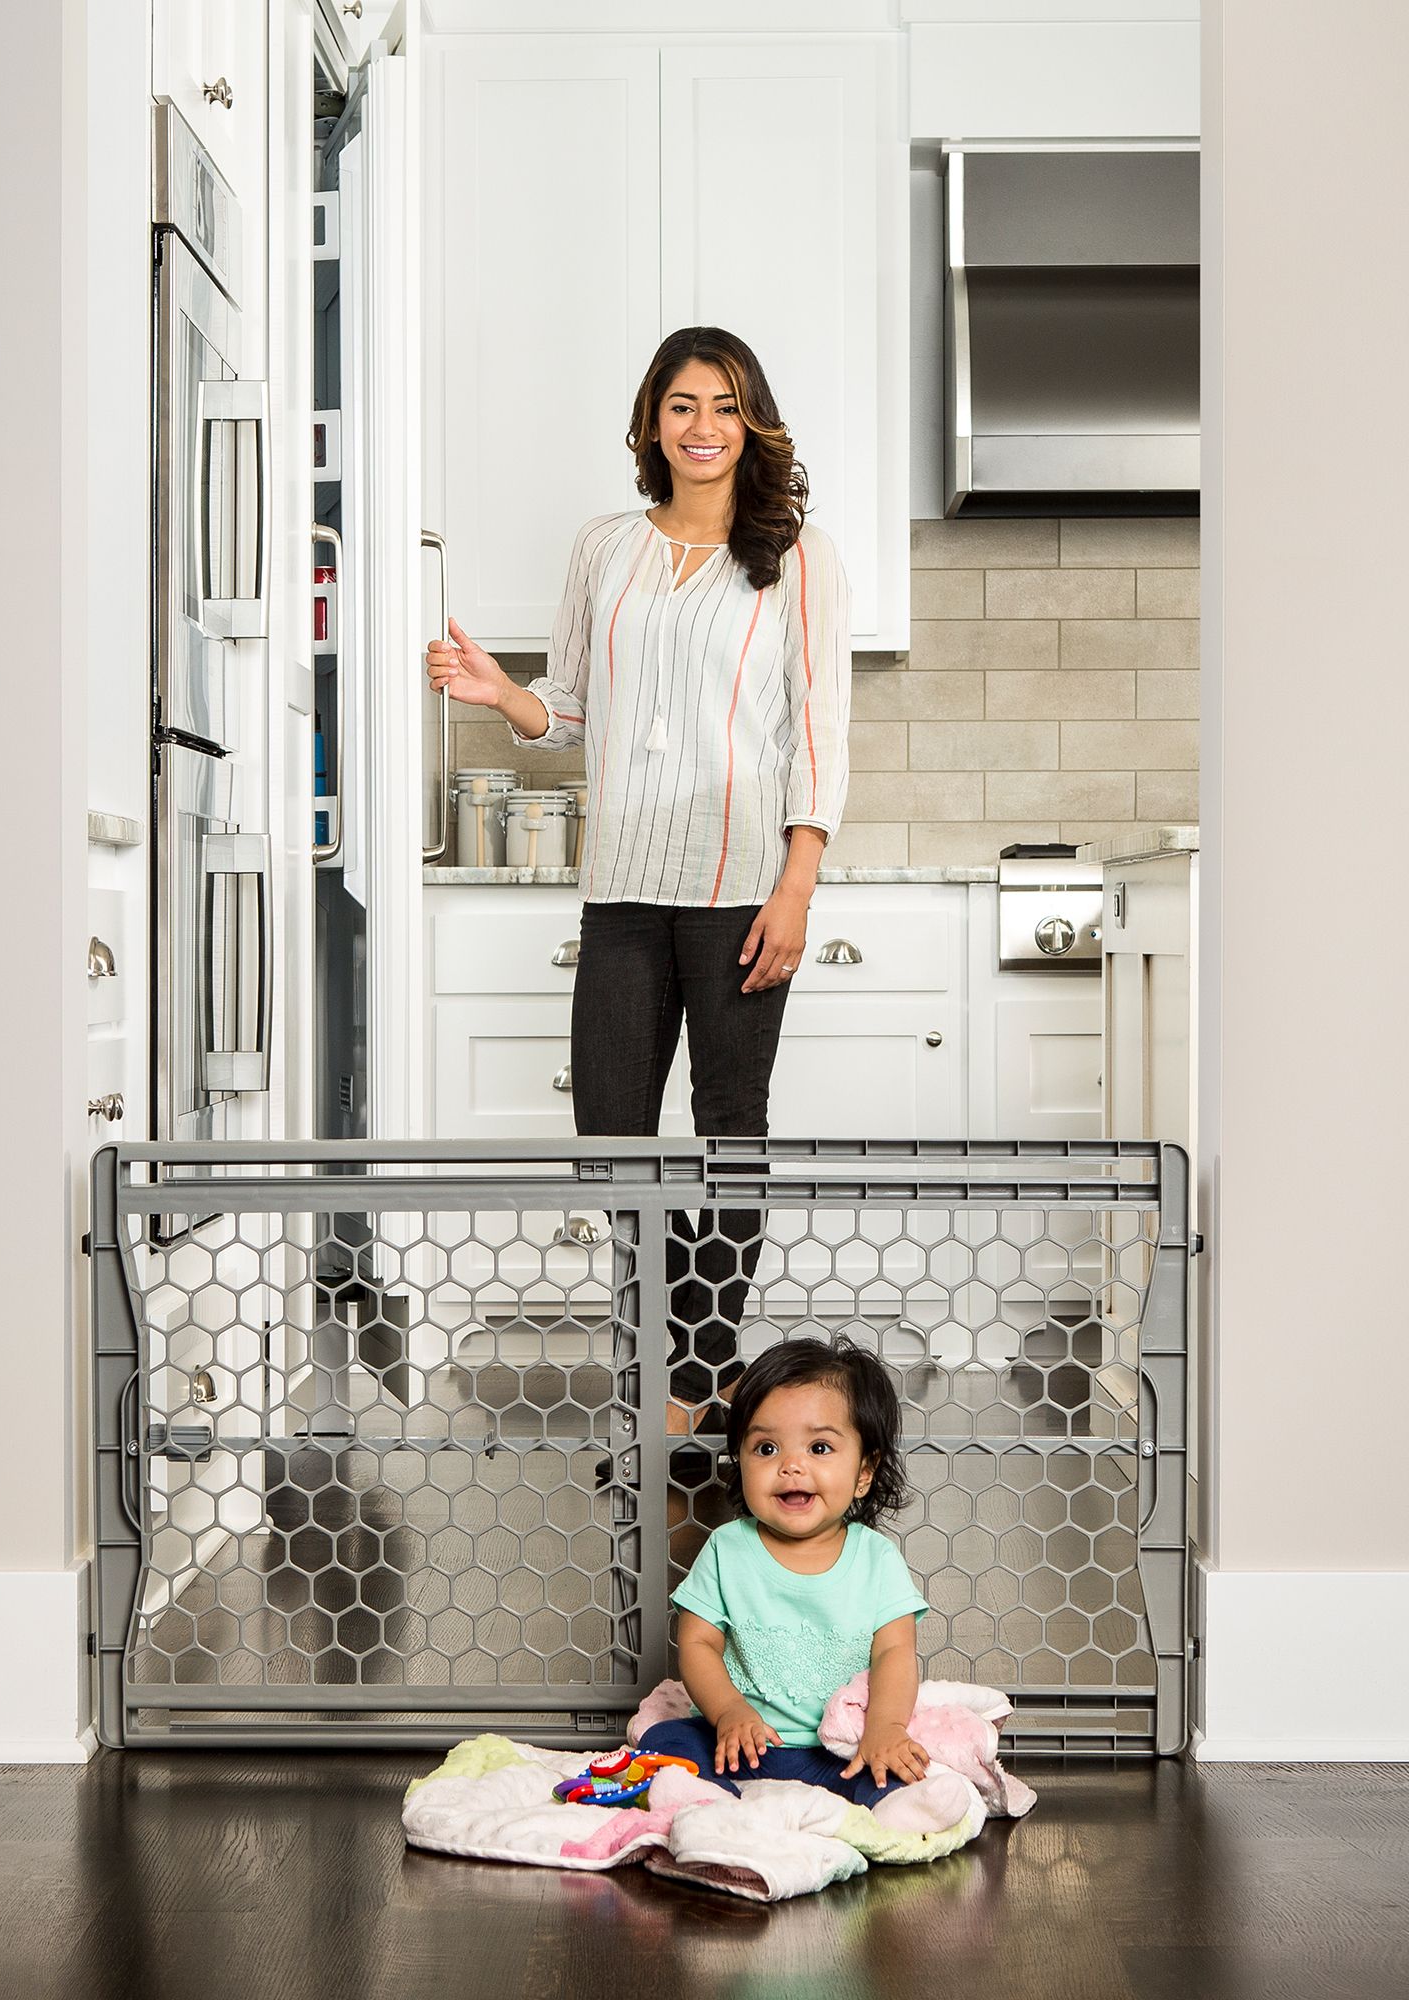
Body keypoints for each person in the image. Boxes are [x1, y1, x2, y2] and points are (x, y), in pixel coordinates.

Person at [424, 327, 853, 1494]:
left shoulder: (792, 558)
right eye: (679, 404)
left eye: (721, 405)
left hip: (735, 890)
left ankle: (682, 1382)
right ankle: (697, 1368)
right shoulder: (604, 548)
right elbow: (565, 710)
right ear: (650, 421)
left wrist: (797, 880)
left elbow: (818, 730)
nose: (700, 425)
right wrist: (493, 690)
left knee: (726, 1134)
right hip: (620, 884)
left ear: (749, 421)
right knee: (612, 1137)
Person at [627, 1337, 969, 1831]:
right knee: (667, 1742)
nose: (791, 1464)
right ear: (738, 1460)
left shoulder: (876, 1559)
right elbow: (698, 1641)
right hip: (742, 1742)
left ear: (864, 1472)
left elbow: (895, 1654)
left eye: (820, 1447)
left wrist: (884, 1730)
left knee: (894, 1767)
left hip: (838, 1750)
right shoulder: (727, 1548)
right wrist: (728, 1711)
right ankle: (704, 1806)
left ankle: (896, 1809)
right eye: (766, 1448)